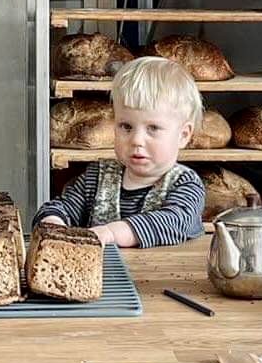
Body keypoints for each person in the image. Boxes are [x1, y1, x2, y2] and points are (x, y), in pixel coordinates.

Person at [33, 56, 205, 247]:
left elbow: (173, 223)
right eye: (126, 126)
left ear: (183, 135)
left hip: (168, 267)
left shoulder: (185, 184)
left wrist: (112, 233)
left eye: (153, 128)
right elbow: (62, 207)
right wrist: (53, 221)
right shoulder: (96, 178)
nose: (136, 140)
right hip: (103, 267)